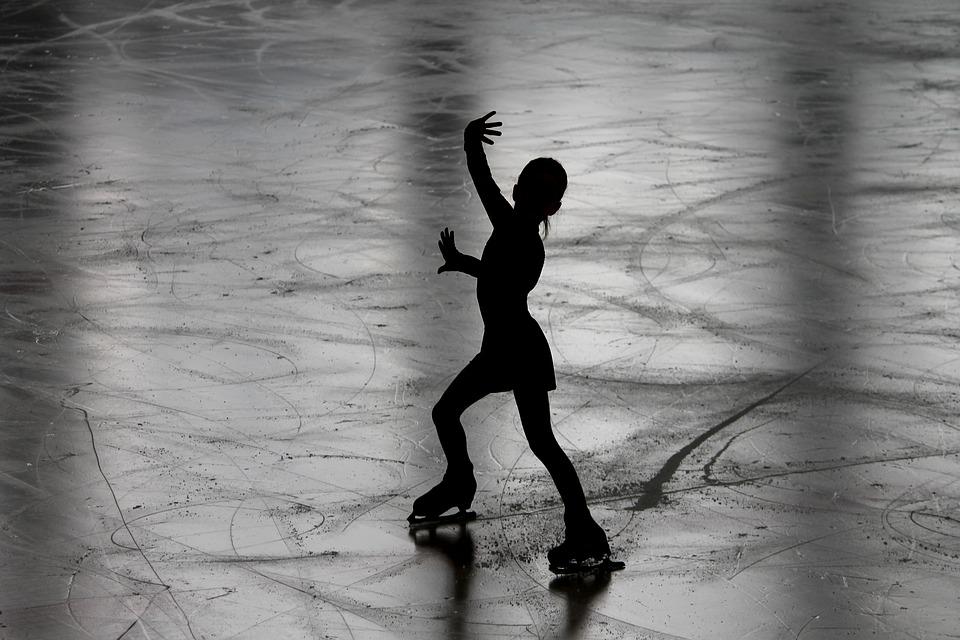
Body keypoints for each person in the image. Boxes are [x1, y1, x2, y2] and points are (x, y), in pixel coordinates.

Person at [409, 111, 612, 571]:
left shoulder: (528, 244)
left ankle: (585, 531)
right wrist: (470, 142)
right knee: (445, 413)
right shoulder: (507, 219)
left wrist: (466, 263)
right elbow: (483, 181)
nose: (521, 191)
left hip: (519, 352)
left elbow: (506, 279)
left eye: (538, 192)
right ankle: (459, 481)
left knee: (542, 444)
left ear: (551, 208)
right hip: (501, 348)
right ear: (517, 188)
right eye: (523, 182)